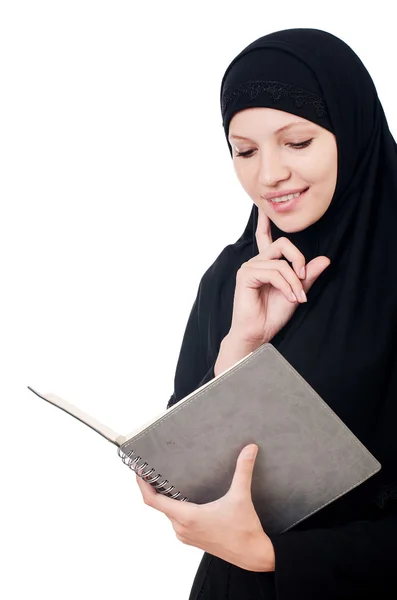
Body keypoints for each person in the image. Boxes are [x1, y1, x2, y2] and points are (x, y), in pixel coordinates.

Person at [136, 28, 397, 598]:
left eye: (297, 142)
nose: (268, 174)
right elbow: (188, 476)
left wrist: (271, 554)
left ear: (350, 135)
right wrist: (239, 349)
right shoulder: (234, 277)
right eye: (245, 151)